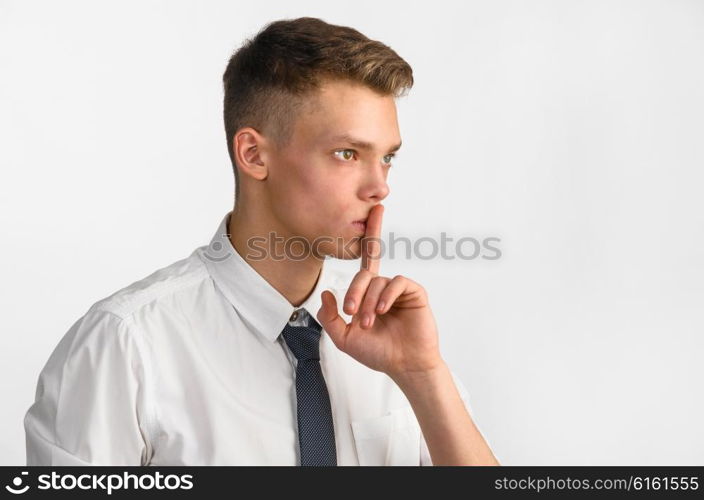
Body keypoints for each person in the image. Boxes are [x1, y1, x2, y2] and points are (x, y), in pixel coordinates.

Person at [24, 16, 500, 466]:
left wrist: (422, 376)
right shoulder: (127, 345)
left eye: (388, 158)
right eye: (347, 153)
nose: (380, 186)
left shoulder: (393, 339)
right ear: (253, 154)